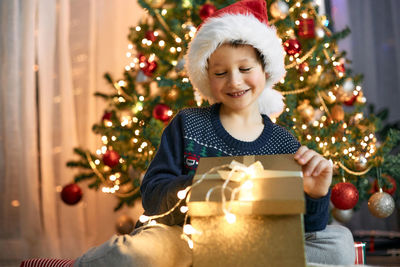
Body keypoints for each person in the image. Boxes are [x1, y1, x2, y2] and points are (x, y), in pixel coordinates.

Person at [74, 0, 355, 266]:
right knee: (136, 255)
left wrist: (316, 195)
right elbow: (152, 195)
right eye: (220, 73)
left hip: (260, 243)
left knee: (339, 243)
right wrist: (202, 187)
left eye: (245, 68)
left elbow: (305, 229)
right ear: (207, 77)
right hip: (186, 239)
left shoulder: (284, 143)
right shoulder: (188, 124)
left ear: (265, 69)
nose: (234, 81)